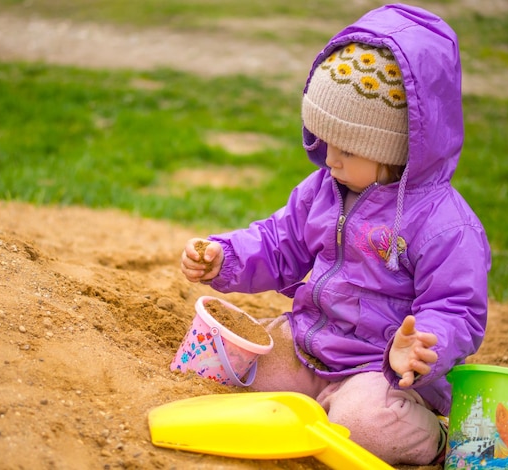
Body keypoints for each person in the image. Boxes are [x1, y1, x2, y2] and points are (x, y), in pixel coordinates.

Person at [180, 3, 490, 466]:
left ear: (397, 147)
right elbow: (279, 242)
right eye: (323, 140)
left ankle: (438, 442)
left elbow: (457, 307)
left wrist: (423, 345)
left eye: (346, 149)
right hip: (311, 345)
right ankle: (320, 406)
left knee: (365, 425)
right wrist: (224, 257)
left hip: (380, 370)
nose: (330, 160)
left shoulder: (444, 224)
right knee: (233, 372)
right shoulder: (325, 189)